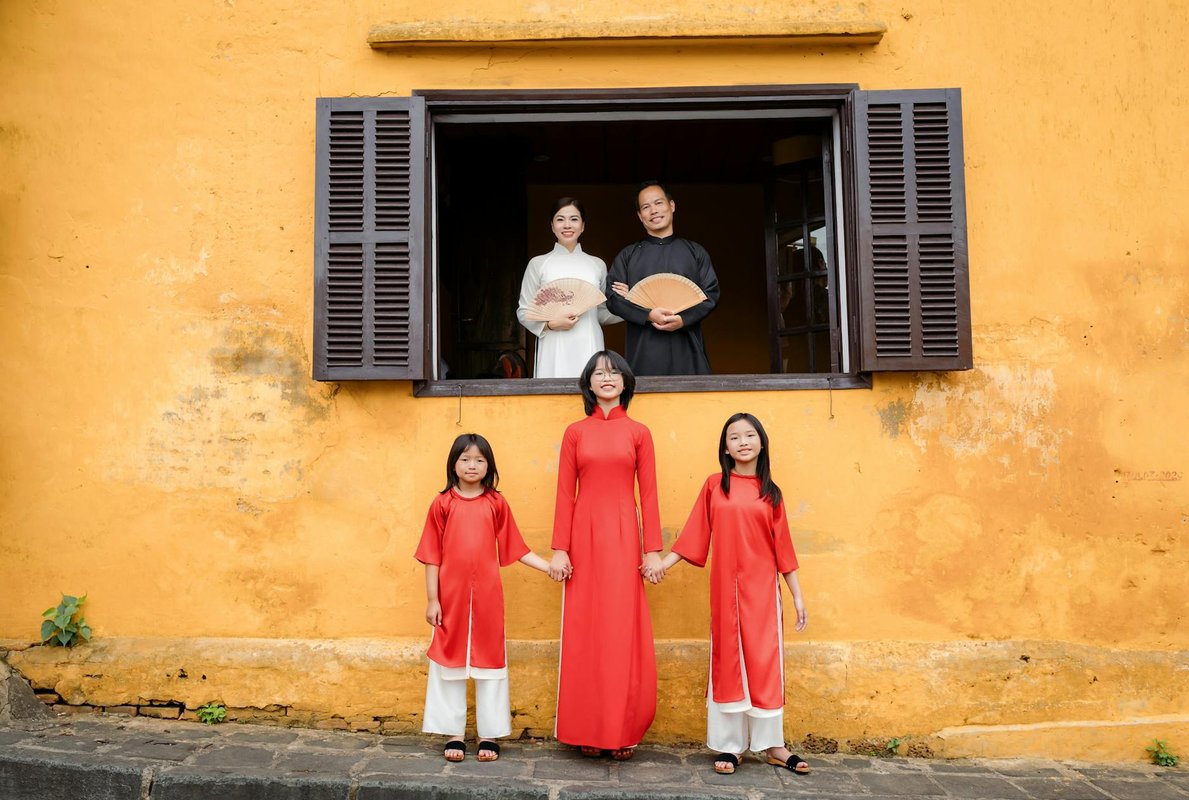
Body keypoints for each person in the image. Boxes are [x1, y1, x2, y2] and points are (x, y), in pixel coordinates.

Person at [651, 413, 810, 776]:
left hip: (763, 592)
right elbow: (695, 534)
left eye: (749, 435)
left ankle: (773, 746)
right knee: (728, 663)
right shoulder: (714, 486)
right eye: (734, 437)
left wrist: (797, 596)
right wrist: (662, 564)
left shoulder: (771, 493)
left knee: (765, 662)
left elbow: (783, 549)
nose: (742, 441)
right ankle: (730, 746)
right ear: (725, 447)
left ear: (761, 442)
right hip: (726, 591)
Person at [548, 350, 664, 760]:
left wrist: (652, 551)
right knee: (585, 629)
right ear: (589, 384)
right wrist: (560, 549)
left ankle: (622, 729)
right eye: (599, 373)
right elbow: (565, 493)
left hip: (623, 536)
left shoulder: (639, 433)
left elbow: (648, 495)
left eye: (614, 372)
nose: (607, 378)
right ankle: (586, 728)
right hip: (582, 535)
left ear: (626, 382)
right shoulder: (575, 432)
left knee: (621, 629)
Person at [415, 433, 555, 763]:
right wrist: (432, 600)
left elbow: (516, 548)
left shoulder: (496, 503)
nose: (472, 465)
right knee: (449, 664)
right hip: (449, 597)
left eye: (479, 460)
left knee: (490, 663)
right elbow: (431, 555)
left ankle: (489, 734)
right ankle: (453, 733)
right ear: (453, 464)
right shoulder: (442, 504)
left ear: (489, 465)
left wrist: (549, 567)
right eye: (465, 459)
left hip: (489, 598)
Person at [606, 181, 720, 376]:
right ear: (640, 216)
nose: (653, 211)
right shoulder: (628, 255)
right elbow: (613, 299)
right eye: (646, 207)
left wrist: (683, 319)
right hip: (644, 351)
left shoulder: (695, 252)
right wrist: (648, 315)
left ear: (672, 206)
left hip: (688, 348)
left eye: (658, 203)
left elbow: (711, 294)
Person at [517, 197, 621, 378]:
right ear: (552, 225)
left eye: (574, 219)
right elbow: (524, 312)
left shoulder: (597, 265)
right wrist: (549, 325)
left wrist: (633, 309)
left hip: (589, 341)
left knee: (590, 392)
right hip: (553, 343)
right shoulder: (538, 264)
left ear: (582, 226)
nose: (567, 225)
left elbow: (602, 312)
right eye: (560, 219)